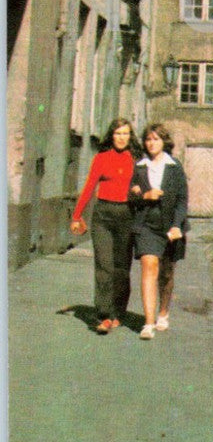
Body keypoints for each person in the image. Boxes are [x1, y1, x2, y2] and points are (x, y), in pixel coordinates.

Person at [70, 117, 141, 334]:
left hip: (127, 215)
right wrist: (76, 215)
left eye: (125, 134)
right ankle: (104, 315)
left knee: (121, 268)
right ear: (112, 135)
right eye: (118, 133)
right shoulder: (101, 158)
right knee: (104, 266)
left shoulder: (136, 159)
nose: (121, 138)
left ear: (130, 137)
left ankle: (118, 311)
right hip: (103, 216)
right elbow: (89, 186)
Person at [130, 123, 189, 340]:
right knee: (149, 264)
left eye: (155, 139)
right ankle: (148, 323)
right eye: (148, 139)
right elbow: (129, 194)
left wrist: (176, 225)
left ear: (164, 142)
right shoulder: (139, 166)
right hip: (146, 225)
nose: (151, 143)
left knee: (166, 273)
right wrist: (144, 195)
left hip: (170, 226)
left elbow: (182, 200)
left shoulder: (175, 167)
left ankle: (163, 312)